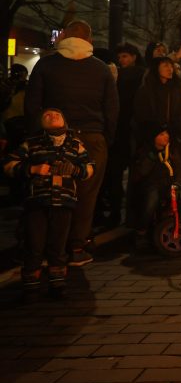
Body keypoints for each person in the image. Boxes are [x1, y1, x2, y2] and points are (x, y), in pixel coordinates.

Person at [25, 20, 118, 266]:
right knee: (86, 194)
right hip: (92, 137)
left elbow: (33, 104)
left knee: (52, 193)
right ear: (89, 39)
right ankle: (77, 246)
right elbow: (112, 109)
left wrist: (37, 136)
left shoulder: (46, 65)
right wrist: (105, 137)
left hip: (54, 137)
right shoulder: (101, 70)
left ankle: (48, 248)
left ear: (65, 36)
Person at [2, 108, 93, 301]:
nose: (52, 116)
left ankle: (57, 284)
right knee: (35, 243)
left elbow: (89, 168)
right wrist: (33, 168)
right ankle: (31, 287)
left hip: (64, 202)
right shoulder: (32, 144)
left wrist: (76, 169)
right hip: (38, 201)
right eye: (47, 115)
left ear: (65, 121)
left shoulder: (75, 145)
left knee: (58, 245)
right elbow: (9, 165)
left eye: (57, 114)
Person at [127, 122, 181, 251]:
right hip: (152, 186)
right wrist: (150, 159)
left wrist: (177, 183)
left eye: (167, 133)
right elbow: (139, 173)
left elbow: (180, 169)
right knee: (152, 200)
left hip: (171, 186)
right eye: (162, 134)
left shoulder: (172, 151)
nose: (166, 136)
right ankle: (141, 232)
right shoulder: (145, 151)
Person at [103, 43, 146, 228]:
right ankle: (119, 211)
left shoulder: (136, 75)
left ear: (134, 57)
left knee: (123, 172)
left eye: (125, 56)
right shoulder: (118, 76)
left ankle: (123, 212)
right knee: (116, 172)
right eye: (120, 57)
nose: (122, 60)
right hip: (123, 128)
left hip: (127, 127)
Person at [133, 56, 181, 151]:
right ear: (156, 69)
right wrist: (156, 134)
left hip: (172, 138)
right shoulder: (146, 90)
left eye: (171, 66)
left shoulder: (175, 90)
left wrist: (171, 133)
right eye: (165, 66)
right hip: (151, 139)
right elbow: (141, 115)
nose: (170, 69)